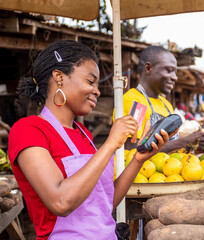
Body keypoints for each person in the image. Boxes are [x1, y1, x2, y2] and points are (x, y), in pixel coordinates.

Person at [8, 40, 170, 239]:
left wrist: (139, 159)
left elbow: (104, 203)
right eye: (90, 81)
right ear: (59, 77)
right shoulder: (27, 130)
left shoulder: (83, 133)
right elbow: (61, 202)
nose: (97, 90)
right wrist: (110, 144)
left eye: (98, 85)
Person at [122, 46, 204, 153]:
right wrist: (185, 142)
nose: (174, 77)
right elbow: (133, 149)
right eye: (169, 70)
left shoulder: (166, 104)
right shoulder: (135, 102)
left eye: (175, 72)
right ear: (148, 68)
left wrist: (192, 146)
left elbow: (170, 146)